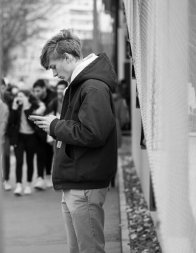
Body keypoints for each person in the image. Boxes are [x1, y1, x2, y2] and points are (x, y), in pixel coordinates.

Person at [30, 29, 118, 253]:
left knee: (88, 249)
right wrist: (56, 124)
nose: (53, 74)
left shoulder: (92, 87)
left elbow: (93, 132)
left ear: (68, 58)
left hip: (84, 182)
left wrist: (55, 125)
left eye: (53, 66)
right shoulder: (84, 85)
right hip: (78, 180)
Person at [8, 90, 44, 196]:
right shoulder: (16, 107)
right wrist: (14, 108)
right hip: (19, 137)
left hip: (31, 137)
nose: (19, 98)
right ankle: (18, 185)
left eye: (21, 96)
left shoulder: (33, 106)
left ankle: (28, 184)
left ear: (27, 97)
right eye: (18, 96)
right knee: (19, 161)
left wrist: (27, 108)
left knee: (29, 161)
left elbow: (32, 121)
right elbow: (11, 122)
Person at [32, 79, 57, 190]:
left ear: (44, 89)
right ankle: (40, 178)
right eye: (35, 91)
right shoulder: (34, 100)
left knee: (48, 154)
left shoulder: (53, 97)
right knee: (39, 153)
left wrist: (43, 109)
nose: (36, 93)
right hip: (37, 131)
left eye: (38, 91)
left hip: (49, 130)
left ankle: (47, 175)